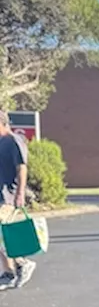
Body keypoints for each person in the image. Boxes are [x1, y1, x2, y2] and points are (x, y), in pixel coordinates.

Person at [0, 111, 35, 290]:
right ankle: (9, 272)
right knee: (3, 235)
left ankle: (21, 264)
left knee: (5, 234)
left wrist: (20, 194)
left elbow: (21, 168)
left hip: (8, 196)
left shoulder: (14, 141)